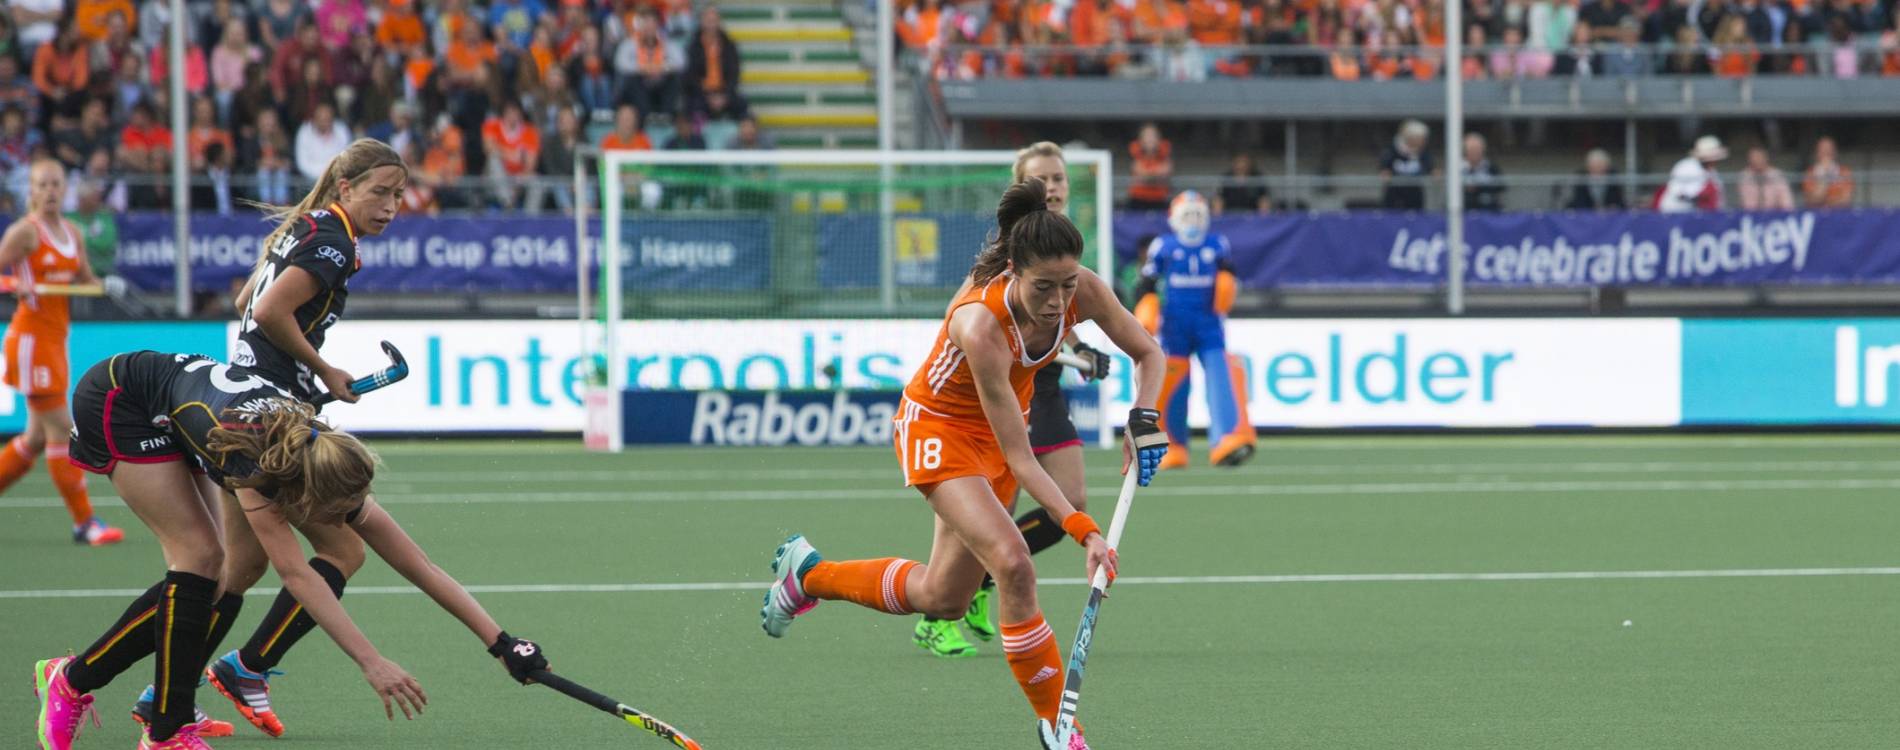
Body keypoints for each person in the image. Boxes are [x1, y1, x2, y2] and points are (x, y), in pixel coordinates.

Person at [760, 178, 1168, 750]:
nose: (1057, 303)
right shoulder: (981, 326)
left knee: (942, 598)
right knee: (1014, 564)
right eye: (1043, 288)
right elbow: (1020, 458)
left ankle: (808, 575)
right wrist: (1084, 531)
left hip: (996, 434)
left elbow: (1150, 353)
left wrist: (1144, 418)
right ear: (1015, 273)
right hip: (938, 429)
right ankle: (1061, 726)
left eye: (1067, 285)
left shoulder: (1082, 290)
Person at [32, 351, 551, 750]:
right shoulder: (254, 469)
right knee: (198, 558)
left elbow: (419, 564)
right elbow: (298, 576)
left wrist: (502, 642)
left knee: (229, 570)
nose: (347, 517)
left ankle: (76, 679)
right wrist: (371, 662)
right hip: (122, 400)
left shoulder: (323, 450)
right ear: (304, 492)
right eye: (338, 509)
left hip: (189, 408)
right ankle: (162, 730)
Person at [206, 138, 408, 738]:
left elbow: (246, 301)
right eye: (380, 192)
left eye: (399, 195)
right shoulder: (334, 240)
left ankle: (163, 689)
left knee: (237, 568)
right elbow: (268, 311)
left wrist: (301, 372)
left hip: (238, 402)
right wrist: (320, 372)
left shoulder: (307, 225)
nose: (391, 206)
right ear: (346, 188)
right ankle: (247, 667)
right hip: (270, 418)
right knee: (344, 552)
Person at [910, 142, 1119, 659]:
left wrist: (1078, 350)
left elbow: (1060, 308)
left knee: (1068, 499)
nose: (1053, 187)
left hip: (1041, 386)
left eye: (1059, 178)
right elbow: (973, 316)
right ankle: (945, 610)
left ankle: (980, 582)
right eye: (1041, 179)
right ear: (1023, 185)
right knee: (985, 527)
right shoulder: (1007, 254)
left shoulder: (1067, 246)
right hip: (986, 395)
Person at [0, 159, 122, 546]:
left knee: (34, 438)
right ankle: (84, 523)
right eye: (43, 185)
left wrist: (106, 285)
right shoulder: (25, 233)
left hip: (56, 339)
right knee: (60, 429)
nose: (50, 191)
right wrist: (14, 283)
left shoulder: (71, 231)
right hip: (32, 339)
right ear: (31, 192)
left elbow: (84, 278)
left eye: (56, 184)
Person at [1134, 190, 1257, 469]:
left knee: (1221, 377)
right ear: (1174, 218)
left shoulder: (1217, 244)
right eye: (1186, 215)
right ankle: (1173, 445)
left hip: (1209, 323)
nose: (1192, 221)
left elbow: (1229, 273)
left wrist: (1228, 285)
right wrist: (1147, 304)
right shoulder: (1163, 246)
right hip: (1175, 323)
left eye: (1197, 215)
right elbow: (1147, 281)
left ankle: (1229, 437)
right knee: (1173, 384)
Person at [1656, 135, 1727, 212]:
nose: (1714, 160)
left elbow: (1718, 196)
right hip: (1675, 212)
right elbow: (1675, 191)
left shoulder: (1713, 172)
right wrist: (1699, 198)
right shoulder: (1685, 166)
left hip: (1698, 214)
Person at [1380, 119, 1434, 210]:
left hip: (1415, 195)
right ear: (1411, 138)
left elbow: (1430, 168)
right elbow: (1384, 169)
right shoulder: (1392, 150)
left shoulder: (1424, 153)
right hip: (1394, 195)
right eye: (1420, 139)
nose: (1423, 142)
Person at [1800, 135, 1854, 208]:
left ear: (1835, 152)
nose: (1826, 153)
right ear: (1817, 153)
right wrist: (1826, 175)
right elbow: (1813, 201)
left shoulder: (1844, 172)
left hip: (1839, 214)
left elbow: (1846, 200)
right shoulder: (1809, 173)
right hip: (1817, 215)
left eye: (1829, 150)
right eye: (1823, 150)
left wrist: (1825, 202)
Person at [1738, 145, 1794, 210]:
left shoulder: (1777, 175)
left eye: (1759, 157)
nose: (1756, 160)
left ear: (1766, 158)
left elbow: (1786, 202)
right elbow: (1748, 204)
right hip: (1753, 215)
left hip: (1775, 214)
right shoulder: (1745, 176)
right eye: (1753, 158)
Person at [1463, 131, 1505, 211]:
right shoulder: (1458, 169)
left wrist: (1480, 187)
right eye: (1471, 149)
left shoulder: (1492, 168)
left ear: (1483, 150)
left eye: (1477, 149)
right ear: (1465, 151)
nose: (1474, 152)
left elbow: (1501, 188)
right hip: (1464, 212)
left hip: (1488, 212)